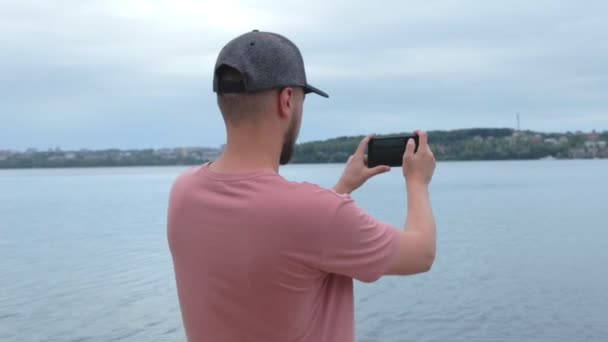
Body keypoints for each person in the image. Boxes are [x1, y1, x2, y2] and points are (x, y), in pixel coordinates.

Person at [167, 30, 437, 342]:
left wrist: (342, 188)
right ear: (287, 100)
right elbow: (421, 253)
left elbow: (275, 236)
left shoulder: (183, 193)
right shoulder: (317, 214)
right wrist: (417, 181)